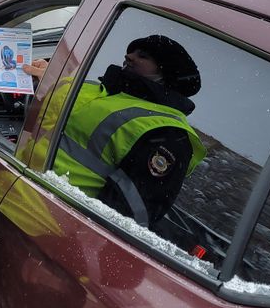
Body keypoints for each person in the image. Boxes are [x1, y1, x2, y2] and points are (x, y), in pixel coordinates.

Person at [24, 35, 205, 228]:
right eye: (131, 51)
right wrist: (46, 76)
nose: (129, 56)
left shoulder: (167, 133)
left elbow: (122, 219)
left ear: (165, 74)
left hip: (45, 223)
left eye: (142, 56)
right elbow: (41, 117)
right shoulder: (95, 88)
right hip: (16, 190)